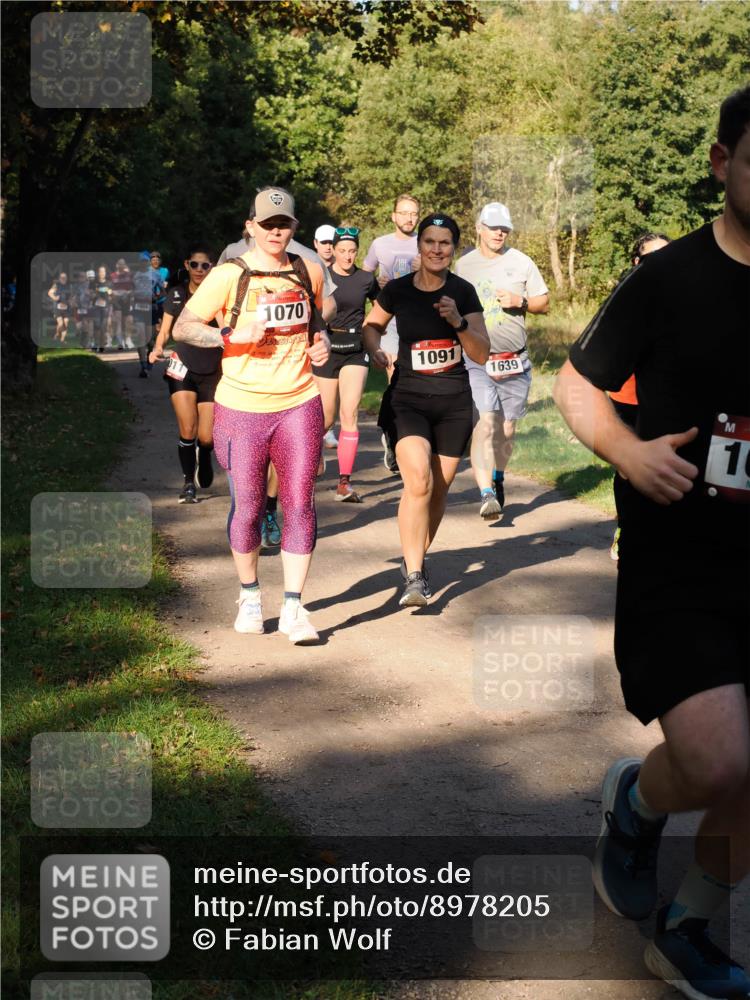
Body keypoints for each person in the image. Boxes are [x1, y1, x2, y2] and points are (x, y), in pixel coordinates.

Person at [553, 86, 750, 1000]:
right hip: (681, 561)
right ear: (722, 164)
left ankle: (687, 928)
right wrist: (626, 453)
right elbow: (578, 386)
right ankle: (635, 802)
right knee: (718, 763)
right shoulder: (669, 277)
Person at [172, 186, 331, 644]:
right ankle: (249, 595)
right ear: (251, 227)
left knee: (300, 501)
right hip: (242, 406)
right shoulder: (228, 275)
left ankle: (294, 609)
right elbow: (185, 326)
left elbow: (315, 322)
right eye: (268, 224)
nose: (277, 232)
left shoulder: (308, 270)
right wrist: (230, 334)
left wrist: (319, 343)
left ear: (293, 228)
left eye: (284, 225)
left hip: (298, 401)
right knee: (249, 506)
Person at [363, 213, 489, 607]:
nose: (437, 249)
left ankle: (413, 555)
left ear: (454, 248)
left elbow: (481, 354)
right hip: (408, 399)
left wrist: (458, 322)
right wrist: (378, 354)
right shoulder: (398, 290)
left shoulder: (464, 293)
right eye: (430, 241)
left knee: (438, 489)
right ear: (419, 246)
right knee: (418, 481)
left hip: (453, 402)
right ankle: (416, 577)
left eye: (445, 243)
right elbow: (372, 326)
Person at [454, 202, 549, 519]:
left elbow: (544, 303)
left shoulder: (522, 263)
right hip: (478, 361)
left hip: (514, 361)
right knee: (487, 422)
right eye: (493, 227)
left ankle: (497, 476)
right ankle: (485, 494)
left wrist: (520, 301)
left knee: (507, 428)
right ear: (479, 227)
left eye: (504, 228)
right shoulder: (463, 266)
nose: (499, 233)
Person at [609, 233, 671, 560]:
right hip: (627, 396)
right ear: (636, 263)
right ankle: (625, 527)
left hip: (668, 398)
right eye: (650, 258)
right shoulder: (622, 298)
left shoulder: (690, 296)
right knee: (628, 467)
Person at [149, 244, 219, 504]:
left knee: (207, 436)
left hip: (213, 369)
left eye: (205, 265)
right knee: (187, 429)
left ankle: (206, 455)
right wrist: (158, 347)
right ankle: (189, 483)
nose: (199, 270)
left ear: (212, 268)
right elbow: (165, 331)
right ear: (187, 265)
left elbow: (226, 330)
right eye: (195, 265)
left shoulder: (217, 296)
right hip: (182, 367)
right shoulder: (176, 294)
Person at [313, 226, 379, 502]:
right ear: (333, 251)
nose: (347, 256)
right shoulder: (322, 276)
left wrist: (370, 328)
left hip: (355, 349)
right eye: (342, 251)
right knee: (326, 418)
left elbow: (381, 307)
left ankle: (344, 482)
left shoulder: (366, 278)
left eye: (352, 251)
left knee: (349, 413)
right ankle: (313, 452)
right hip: (328, 349)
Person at [363, 193, 422, 472]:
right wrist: (377, 284)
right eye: (404, 213)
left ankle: (416, 440)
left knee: (419, 385)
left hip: (421, 325)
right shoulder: (380, 244)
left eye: (414, 213)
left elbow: (445, 278)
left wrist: (428, 270)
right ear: (394, 216)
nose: (409, 218)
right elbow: (362, 278)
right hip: (391, 325)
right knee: (397, 381)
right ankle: (394, 438)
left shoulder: (426, 243)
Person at [109, 257, 134, 350]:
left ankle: (128, 339)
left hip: (127, 300)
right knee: (118, 321)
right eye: (119, 264)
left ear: (125, 265)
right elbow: (108, 288)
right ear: (116, 265)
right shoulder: (112, 276)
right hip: (116, 301)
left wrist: (128, 293)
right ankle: (120, 341)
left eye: (123, 264)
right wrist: (112, 293)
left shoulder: (130, 275)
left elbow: (134, 287)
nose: (121, 265)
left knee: (128, 321)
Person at [91, 265, 111, 353]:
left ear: (105, 273)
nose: (101, 273)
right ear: (97, 273)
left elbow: (111, 293)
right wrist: (94, 293)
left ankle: (102, 345)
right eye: (100, 271)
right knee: (97, 325)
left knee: (103, 327)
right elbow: (90, 294)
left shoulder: (109, 283)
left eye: (103, 271)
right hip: (96, 307)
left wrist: (108, 293)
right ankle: (95, 344)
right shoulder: (93, 283)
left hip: (105, 307)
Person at [48, 271, 71, 343]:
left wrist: (71, 300)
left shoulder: (69, 286)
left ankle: (62, 340)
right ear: (59, 278)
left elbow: (73, 295)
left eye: (65, 277)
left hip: (67, 307)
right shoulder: (56, 285)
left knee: (66, 323)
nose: (63, 278)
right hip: (57, 307)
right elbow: (49, 293)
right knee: (61, 324)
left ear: (67, 278)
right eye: (62, 277)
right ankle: (57, 333)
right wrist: (54, 298)